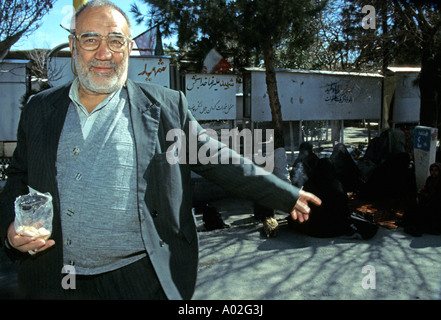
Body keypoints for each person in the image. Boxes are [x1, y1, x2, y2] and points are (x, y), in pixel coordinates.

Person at [0, 0, 321, 300]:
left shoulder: (165, 108)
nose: (104, 53)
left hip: (138, 281)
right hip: (52, 282)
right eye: (90, 40)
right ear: (72, 46)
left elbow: (221, 160)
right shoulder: (39, 109)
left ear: (128, 49)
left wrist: (285, 194)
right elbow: (18, 175)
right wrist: (10, 229)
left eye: (115, 41)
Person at [403, 162, 441, 237]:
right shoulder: (430, 179)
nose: (434, 172)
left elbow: (437, 195)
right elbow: (426, 188)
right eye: (432, 170)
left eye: (436, 170)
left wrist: (428, 196)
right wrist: (422, 192)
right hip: (428, 201)